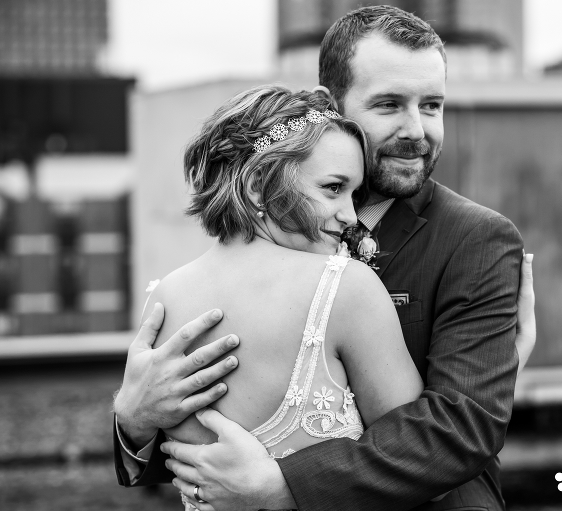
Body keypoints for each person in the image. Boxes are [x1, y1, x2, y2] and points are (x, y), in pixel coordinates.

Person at [113, 5, 536, 510]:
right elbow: (205, 443)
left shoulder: (477, 239)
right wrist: (135, 420)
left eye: (432, 105)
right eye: (389, 104)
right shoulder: (259, 236)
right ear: (333, 106)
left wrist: (280, 486)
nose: (416, 130)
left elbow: (461, 430)